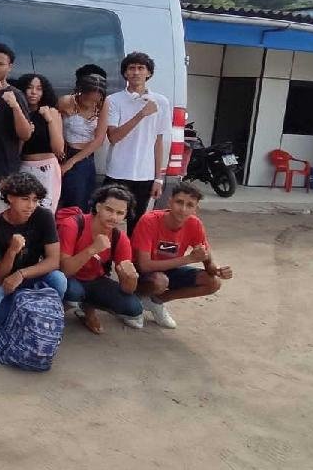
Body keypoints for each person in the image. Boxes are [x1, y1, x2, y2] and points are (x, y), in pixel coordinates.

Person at [131, 182, 234, 329]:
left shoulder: (195, 224)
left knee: (213, 282)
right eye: (179, 202)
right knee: (159, 281)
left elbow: (207, 260)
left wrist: (217, 270)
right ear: (170, 201)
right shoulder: (149, 221)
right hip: (141, 272)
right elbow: (144, 265)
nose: (183, 209)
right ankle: (135, 304)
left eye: (190, 205)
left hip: (170, 269)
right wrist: (188, 259)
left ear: (196, 209)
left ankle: (156, 302)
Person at [57, 184, 143, 334]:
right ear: (98, 207)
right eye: (109, 210)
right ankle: (53, 315)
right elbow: (65, 270)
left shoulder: (120, 238)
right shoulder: (73, 224)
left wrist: (131, 277)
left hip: (94, 280)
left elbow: (127, 289)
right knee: (72, 291)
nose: (113, 217)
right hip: (69, 278)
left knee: (133, 307)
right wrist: (92, 249)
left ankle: (87, 308)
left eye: (120, 213)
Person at [105, 51, 172, 234]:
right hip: (117, 172)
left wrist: (158, 178)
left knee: (137, 224)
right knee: (108, 221)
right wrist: (141, 114)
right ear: (125, 73)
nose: (136, 72)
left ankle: (131, 261)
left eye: (141, 68)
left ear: (148, 73)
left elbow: (159, 141)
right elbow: (114, 137)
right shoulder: (113, 100)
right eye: (131, 68)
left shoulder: (161, 102)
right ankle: (105, 259)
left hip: (145, 174)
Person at [0, 171, 68, 314]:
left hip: (31, 274)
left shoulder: (44, 216)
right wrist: (12, 251)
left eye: (35, 200)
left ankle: (50, 317)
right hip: (5, 280)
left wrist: (22, 274)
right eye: (25, 199)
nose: (30, 205)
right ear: (10, 197)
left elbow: (54, 261)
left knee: (59, 279)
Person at [0, 43, 33, 216]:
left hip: (1, 175)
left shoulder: (15, 94)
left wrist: (15, 106)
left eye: (0, 64)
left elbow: (25, 134)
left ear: (10, 67)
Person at [58, 73, 108, 210]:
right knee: (68, 201)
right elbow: (53, 127)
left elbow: (99, 140)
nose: (92, 103)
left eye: (95, 100)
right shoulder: (66, 101)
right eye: (88, 99)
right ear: (81, 92)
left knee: (84, 201)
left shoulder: (103, 104)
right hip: (66, 152)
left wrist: (72, 162)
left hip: (86, 157)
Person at [15, 73, 65, 210]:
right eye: (30, 88)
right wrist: (24, 134)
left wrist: (49, 120)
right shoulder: (18, 113)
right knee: (24, 211)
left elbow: (59, 149)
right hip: (23, 167)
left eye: (39, 89)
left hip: (47, 168)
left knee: (45, 211)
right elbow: (16, 151)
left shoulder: (51, 111)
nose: (33, 92)